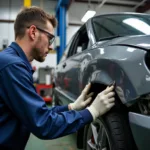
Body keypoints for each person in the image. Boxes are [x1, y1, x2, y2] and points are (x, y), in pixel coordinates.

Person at [0, 6, 115, 150]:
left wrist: (71, 107)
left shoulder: (10, 62)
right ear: (33, 32)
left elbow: (36, 112)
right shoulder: (12, 66)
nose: (50, 46)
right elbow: (43, 124)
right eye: (50, 38)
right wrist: (92, 112)